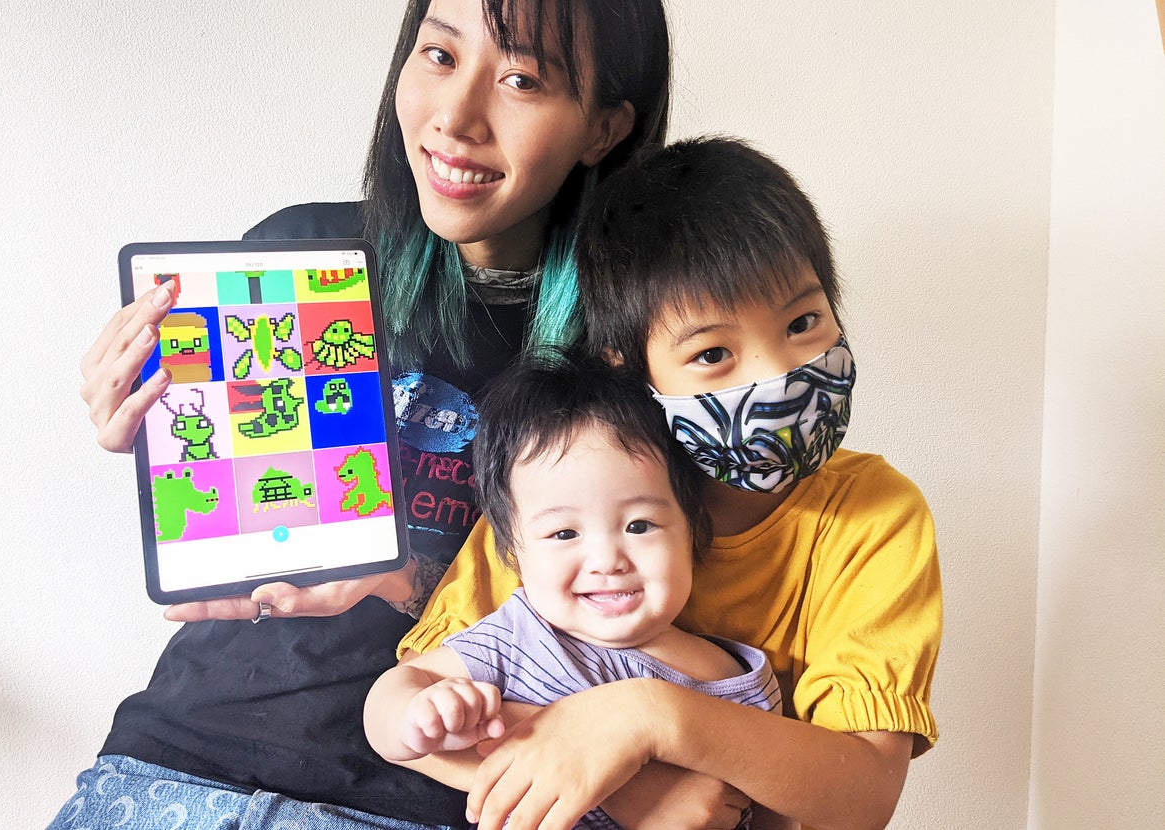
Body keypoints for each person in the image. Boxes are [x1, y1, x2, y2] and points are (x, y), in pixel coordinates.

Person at [59, 1, 671, 828]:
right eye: (439, 56)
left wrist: (407, 581)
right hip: (172, 763)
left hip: (420, 794)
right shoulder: (299, 250)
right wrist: (151, 425)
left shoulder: (638, 337)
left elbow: (627, 600)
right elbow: (225, 514)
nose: (455, 119)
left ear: (604, 128)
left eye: (522, 79)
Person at [398, 136, 943, 830]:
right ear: (625, 365)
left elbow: (863, 796)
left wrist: (650, 718)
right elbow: (417, 715)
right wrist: (634, 790)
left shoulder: (875, 515)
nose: (775, 376)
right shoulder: (570, 486)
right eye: (712, 352)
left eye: (803, 322)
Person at [364, 357, 784, 830]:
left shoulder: (736, 680)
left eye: (639, 525)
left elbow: (780, 808)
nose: (607, 560)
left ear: (691, 530)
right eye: (564, 533)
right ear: (513, 553)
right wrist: (418, 713)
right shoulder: (521, 638)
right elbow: (392, 694)